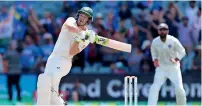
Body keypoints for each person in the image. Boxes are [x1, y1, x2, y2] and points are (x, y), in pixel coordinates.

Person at [36, 7, 97, 105]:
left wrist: (80, 39)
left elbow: (72, 52)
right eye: (81, 15)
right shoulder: (71, 21)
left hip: (64, 61)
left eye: (85, 17)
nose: (81, 18)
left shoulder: (86, 38)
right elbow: (69, 27)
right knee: (52, 92)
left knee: (45, 82)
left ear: (88, 20)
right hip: (52, 58)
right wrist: (80, 33)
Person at [148, 23, 187, 105]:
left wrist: (176, 59)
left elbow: (182, 51)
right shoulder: (155, 42)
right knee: (154, 88)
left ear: (167, 31)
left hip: (173, 68)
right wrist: (154, 59)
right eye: (160, 30)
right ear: (158, 31)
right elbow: (153, 52)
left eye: (164, 30)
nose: (162, 31)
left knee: (179, 89)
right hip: (161, 68)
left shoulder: (173, 40)